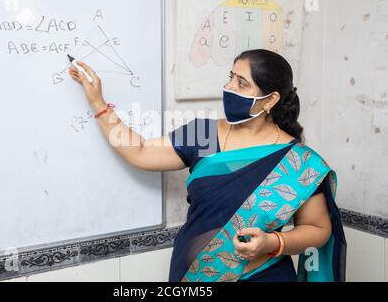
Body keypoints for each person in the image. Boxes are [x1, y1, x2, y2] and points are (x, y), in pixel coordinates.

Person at [69, 49, 347, 282]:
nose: (228, 88)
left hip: (264, 274)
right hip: (192, 276)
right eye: (230, 77)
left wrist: (274, 243)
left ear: (271, 99)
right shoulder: (204, 134)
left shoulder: (300, 162)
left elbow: (318, 230)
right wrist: (98, 103)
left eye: (241, 83)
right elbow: (141, 152)